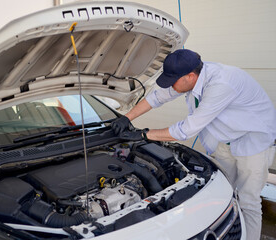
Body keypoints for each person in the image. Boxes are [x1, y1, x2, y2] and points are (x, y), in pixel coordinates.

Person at [111, 49, 276, 240]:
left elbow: (185, 130)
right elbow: (157, 97)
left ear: (190, 76)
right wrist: (126, 118)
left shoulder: (221, 83)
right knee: (224, 193)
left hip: (254, 143)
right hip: (226, 141)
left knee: (248, 200)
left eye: (173, 81)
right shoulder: (192, 76)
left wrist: (144, 135)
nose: (171, 85)